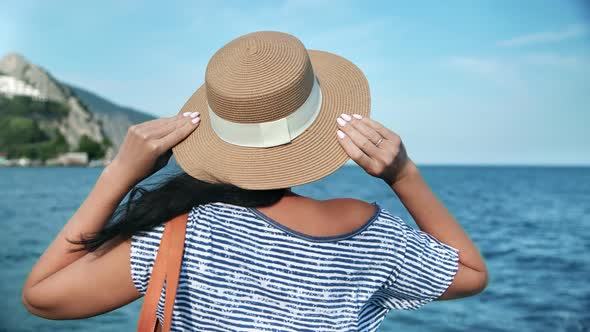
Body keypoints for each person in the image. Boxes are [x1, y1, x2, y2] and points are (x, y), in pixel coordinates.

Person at [22, 31, 488, 331]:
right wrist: (403, 174)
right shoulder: (369, 232)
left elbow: (41, 298)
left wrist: (118, 175)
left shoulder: (185, 232)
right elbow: (472, 275)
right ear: (323, 128)